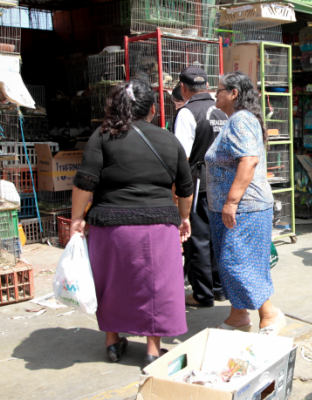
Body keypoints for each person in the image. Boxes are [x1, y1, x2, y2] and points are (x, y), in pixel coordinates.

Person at [70, 79, 194, 367]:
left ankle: (112, 342)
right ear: (152, 108)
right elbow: (185, 188)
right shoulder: (168, 139)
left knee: (110, 281)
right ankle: (153, 348)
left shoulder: (102, 136)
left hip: (110, 225)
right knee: (157, 285)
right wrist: (184, 217)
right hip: (159, 225)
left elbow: (85, 182)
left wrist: (77, 218)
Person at [205, 71, 285, 335]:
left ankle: (269, 315)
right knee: (231, 264)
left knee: (237, 263)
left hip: (244, 208)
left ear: (233, 94)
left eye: (219, 90)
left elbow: (248, 160)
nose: (215, 95)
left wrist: (230, 203)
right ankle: (238, 315)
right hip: (229, 209)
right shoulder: (234, 120)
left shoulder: (240, 120)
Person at [174, 67, 229, 308]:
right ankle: (220, 289)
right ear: (207, 86)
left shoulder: (187, 113)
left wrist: (177, 191)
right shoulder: (223, 109)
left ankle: (202, 294)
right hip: (225, 180)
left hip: (198, 181)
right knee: (220, 235)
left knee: (197, 239)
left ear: (183, 88)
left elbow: (181, 157)